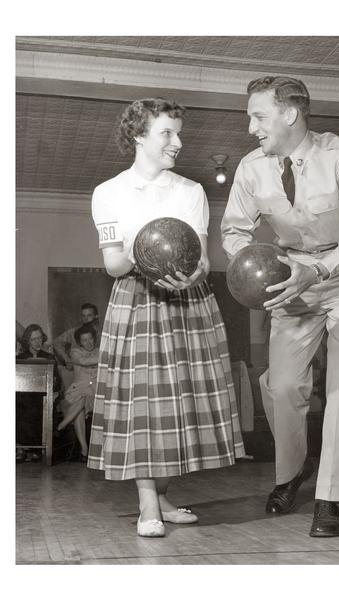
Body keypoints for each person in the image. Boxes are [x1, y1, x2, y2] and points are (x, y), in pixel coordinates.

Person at [221, 76, 339, 537]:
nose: (250, 126)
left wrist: (322, 269)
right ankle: (292, 472)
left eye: (258, 115)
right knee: (283, 386)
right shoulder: (251, 168)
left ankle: (330, 498)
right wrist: (256, 267)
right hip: (290, 282)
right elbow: (234, 231)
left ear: (290, 113)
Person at [88, 97, 245, 537]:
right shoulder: (109, 192)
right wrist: (147, 249)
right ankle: (146, 505)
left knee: (181, 407)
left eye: (179, 133)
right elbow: (114, 265)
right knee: (144, 407)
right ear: (139, 136)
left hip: (189, 300)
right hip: (137, 298)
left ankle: (161, 496)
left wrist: (189, 273)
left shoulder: (190, 191)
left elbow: (200, 259)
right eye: (167, 133)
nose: (178, 142)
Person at [16, 324, 61, 462]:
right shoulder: (20, 358)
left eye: (40, 338)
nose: (37, 341)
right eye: (33, 339)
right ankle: (22, 448)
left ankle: (35, 450)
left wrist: (55, 393)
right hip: (24, 398)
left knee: (38, 409)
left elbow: (57, 382)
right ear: (27, 341)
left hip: (43, 398)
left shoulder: (49, 357)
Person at [56, 324, 99, 461]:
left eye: (90, 339)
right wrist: (106, 358)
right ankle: (84, 449)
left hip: (95, 394)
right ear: (80, 342)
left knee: (84, 398)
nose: (88, 342)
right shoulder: (75, 352)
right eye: (84, 340)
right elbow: (84, 361)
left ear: (94, 339)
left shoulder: (100, 351)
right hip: (77, 391)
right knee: (81, 399)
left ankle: (64, 423)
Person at [53, 303, 101, 370]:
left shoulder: (103, 333)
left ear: (96, 316)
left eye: (89, 315)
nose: (86, 319)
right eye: (83, 316)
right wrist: (66, 359)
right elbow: (56, 342)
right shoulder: (75, 331)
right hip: (79, 373)